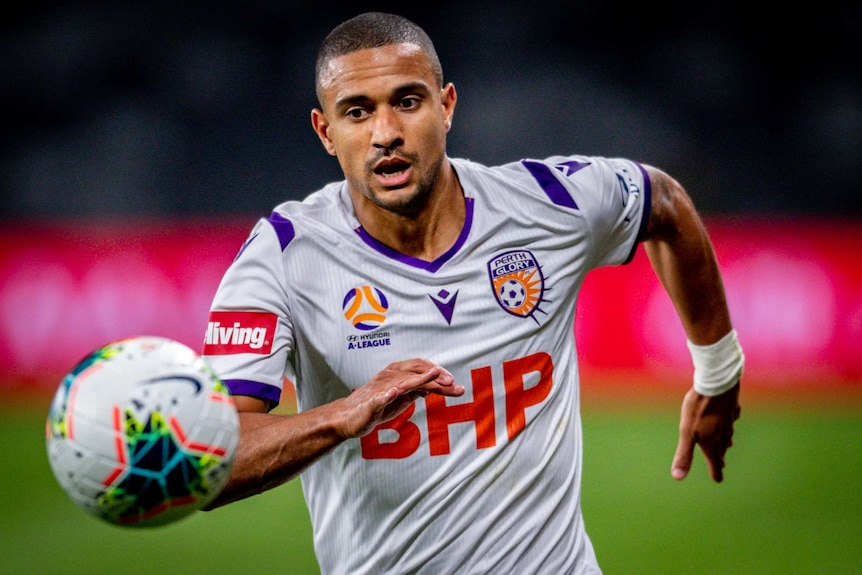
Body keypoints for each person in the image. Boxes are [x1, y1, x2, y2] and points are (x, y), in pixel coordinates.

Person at [201, 11, 744, 575]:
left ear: (447, 105)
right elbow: (213, 458)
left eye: (407, 102)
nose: (385, 132)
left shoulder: (546, 203)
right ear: (325, 132)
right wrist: (346, 413)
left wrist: (719, 373)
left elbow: (666, 205)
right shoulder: (283, 255)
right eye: (357, 112)